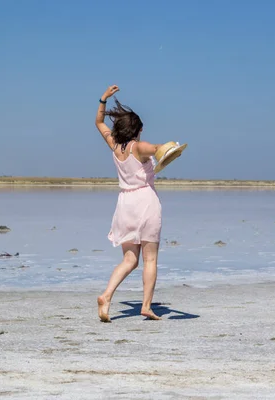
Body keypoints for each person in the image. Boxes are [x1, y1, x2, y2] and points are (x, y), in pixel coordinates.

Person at [95, 84, 164, 322]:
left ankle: (106, 295)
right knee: (150, 259)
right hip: (145, 201)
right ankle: (146, 305)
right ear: (138, 129)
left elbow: (99, 123)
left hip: (124, 204)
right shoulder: (139, 147)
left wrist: (103, 99)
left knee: (129, 259)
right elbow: (159, 149)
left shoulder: (114, 146)